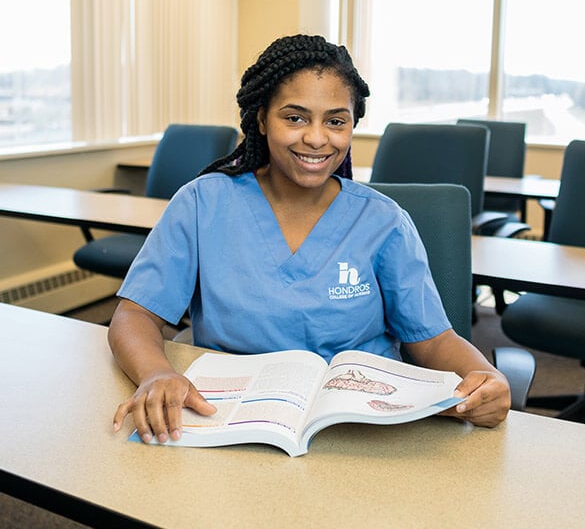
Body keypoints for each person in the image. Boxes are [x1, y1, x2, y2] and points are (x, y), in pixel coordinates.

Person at [110, 34, 510, 445]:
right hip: (230, 422)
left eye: (335, 121)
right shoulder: (202, 203)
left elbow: (434, 340)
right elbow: (134, 315)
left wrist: (487, 379)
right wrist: (157, 373)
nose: (317, 138)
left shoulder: (383, 222)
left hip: (360, 433)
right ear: (261, 119)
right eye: (295, 118)